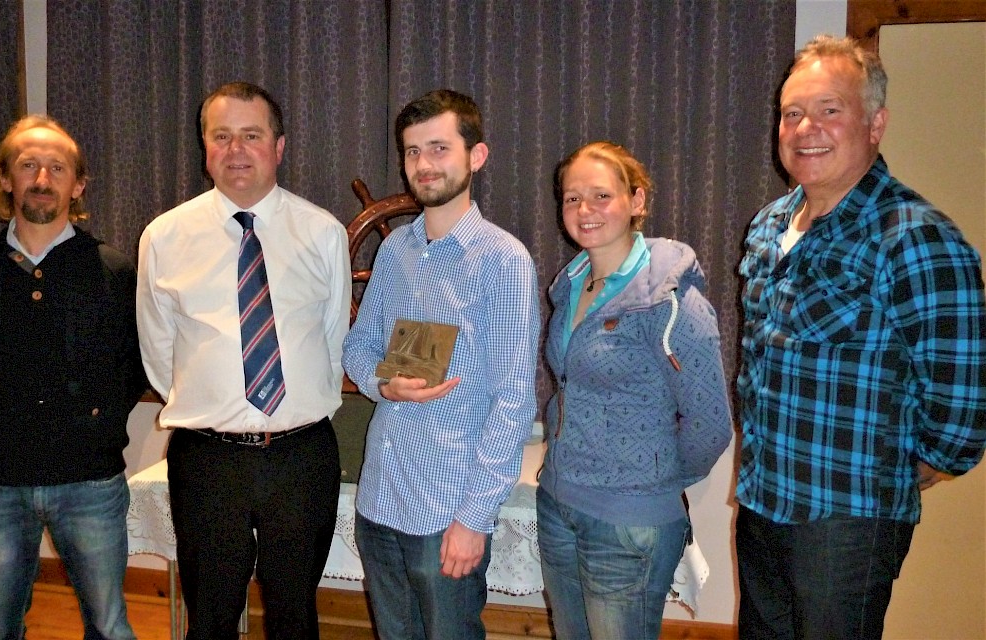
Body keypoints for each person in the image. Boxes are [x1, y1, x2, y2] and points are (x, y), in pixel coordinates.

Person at [736, 35, 986, 640]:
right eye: (792, 113)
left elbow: (963, 404)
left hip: (846, 521)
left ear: (876, 123)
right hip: (763, 497)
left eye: (829, 110)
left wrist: (913, 462)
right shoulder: (771, 224)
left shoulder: (916, 236)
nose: (805, 128)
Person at [136, 82, 350, 639]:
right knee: (209, 617)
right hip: (208, 460)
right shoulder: (164, 236)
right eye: (221, 136)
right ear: (205, 147)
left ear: (279, 147)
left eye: (251, 136)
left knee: (294, 616)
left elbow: (332, 340)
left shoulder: (323, 233)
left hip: (300, 457)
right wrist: (217, 405)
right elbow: (159, 352)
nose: (236, 150)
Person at [0, 115, 145, 640]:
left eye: (57, 167)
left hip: (91, 480)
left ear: (77, 185)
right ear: (5, 178)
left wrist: (94, 427)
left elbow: (133, 366)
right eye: (28, 164)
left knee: (110, 626)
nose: (42, 178)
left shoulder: (114, 270)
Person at [342, 89, 540, 639]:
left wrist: (474, 518)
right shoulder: (395, 251)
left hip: (446, 509)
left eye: (438, 148)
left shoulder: (504, 260)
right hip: (380, 496)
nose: (424, 165)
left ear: (476, 156)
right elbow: (358, 350)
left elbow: (513, 401)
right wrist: (388, 387)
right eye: (411, 152)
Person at [536, 141, 732, 640]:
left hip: (629, 524)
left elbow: (710, 425)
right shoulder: (571, 285)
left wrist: (651, 478)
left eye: (601, 195)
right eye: (572, 198)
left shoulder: (672, 303)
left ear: (637, 201)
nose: (585, 210)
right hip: (559, 505)